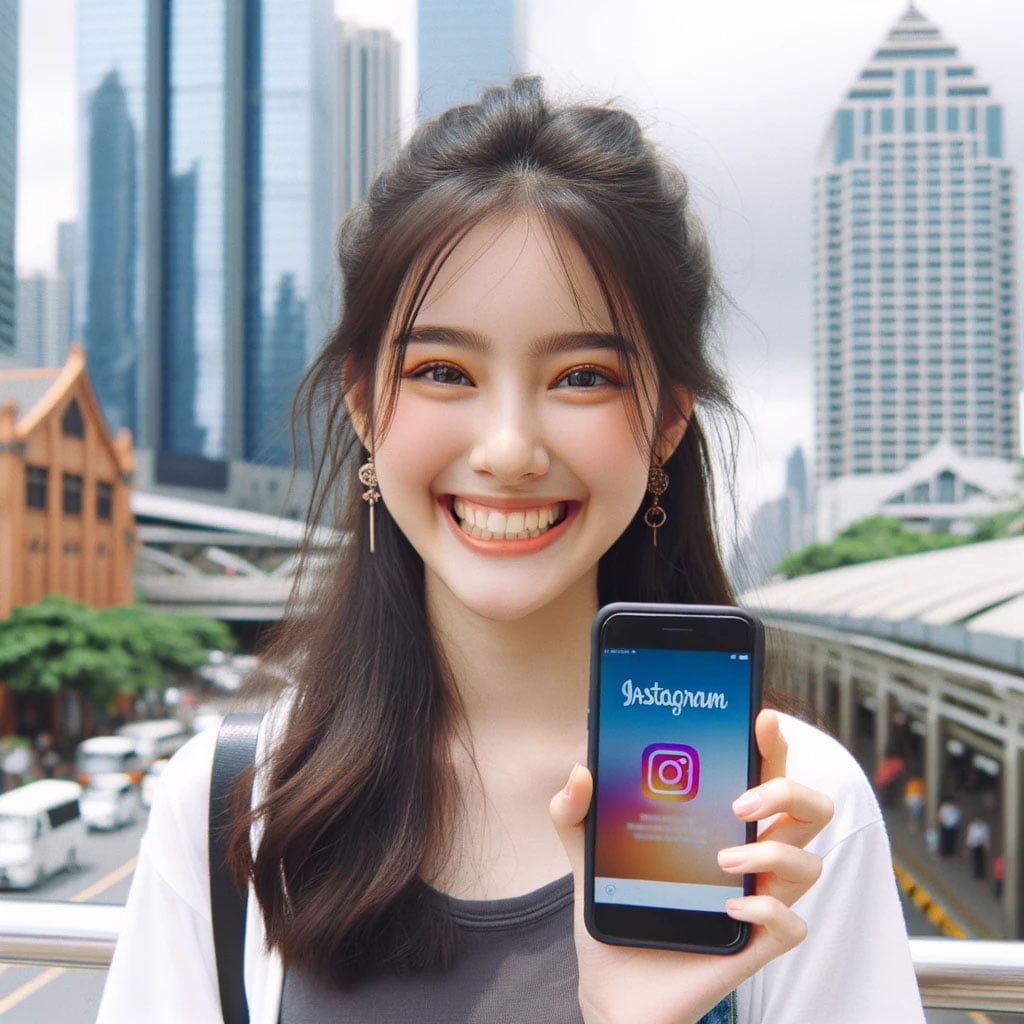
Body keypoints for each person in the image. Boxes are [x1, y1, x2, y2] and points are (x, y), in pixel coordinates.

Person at [98, 78, 924, 1023]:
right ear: (366, 408)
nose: (508, 451)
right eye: (443, 370)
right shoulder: (237, 803)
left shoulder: (778, 814)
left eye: (581, 376)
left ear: (665, 424)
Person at [964, 815, 990, 881]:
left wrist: (987, 845)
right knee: (976, 860)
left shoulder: (984, 826)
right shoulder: (972, 826)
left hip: (981, 845)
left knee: (982, 860)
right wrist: (968, 845)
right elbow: (970, 836)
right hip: (974, 844)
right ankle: (976, 875)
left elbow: (986, 836)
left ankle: (982, 875)